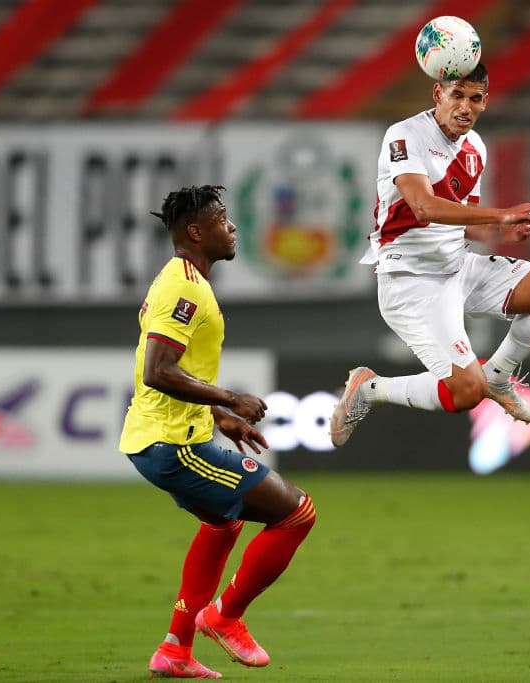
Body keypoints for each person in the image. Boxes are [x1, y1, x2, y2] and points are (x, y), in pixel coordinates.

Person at [119, 185, 316, 679]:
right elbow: (158, 370)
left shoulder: (185, 280)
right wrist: (230, 398)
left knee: (222, 524)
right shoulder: (183, 287)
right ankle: (224, 617)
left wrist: (217, 418)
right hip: (172, 445)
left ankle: (175, 650)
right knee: (296, 513)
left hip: (165, 435)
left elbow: (172, 370)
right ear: (195, 232)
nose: (233, 228)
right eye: (224, 220)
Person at [330, 63, 530, 447]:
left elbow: (459, 220)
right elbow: (425, 207)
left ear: (485, 102)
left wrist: (498, 231)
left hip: (457, 266)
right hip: (411, 280)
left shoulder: (476, 148)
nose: (465, 107)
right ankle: (369, 388)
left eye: (475, 99)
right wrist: (499, 214)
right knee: (465, 393)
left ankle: (499, 375)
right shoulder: (405, 135)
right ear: (438, 95)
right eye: (456, 95)